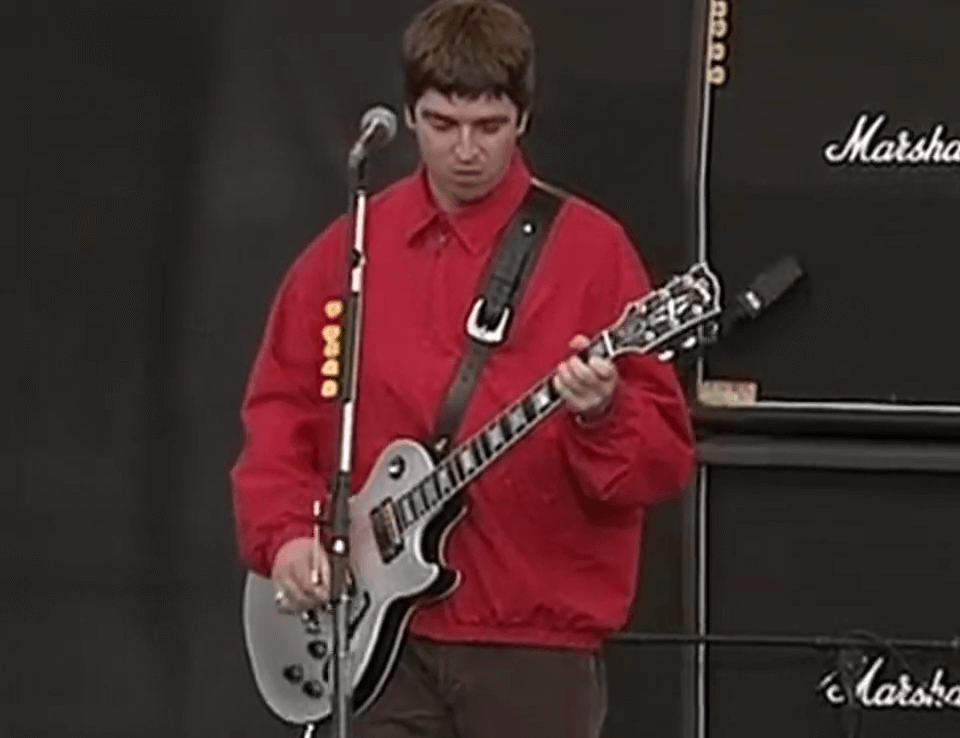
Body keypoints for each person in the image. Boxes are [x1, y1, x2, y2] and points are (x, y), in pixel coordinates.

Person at [231, 1, 696, 736]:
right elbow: (285, 407)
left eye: (489, 126)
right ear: (410, 117)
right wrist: (287, 532)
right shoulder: (352, 247)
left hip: (532, 641)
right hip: (375, 643)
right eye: (444, 125)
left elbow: (662, 466)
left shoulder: (592, 253)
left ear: (525, 119)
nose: (467, 150)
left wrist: (604, 413)